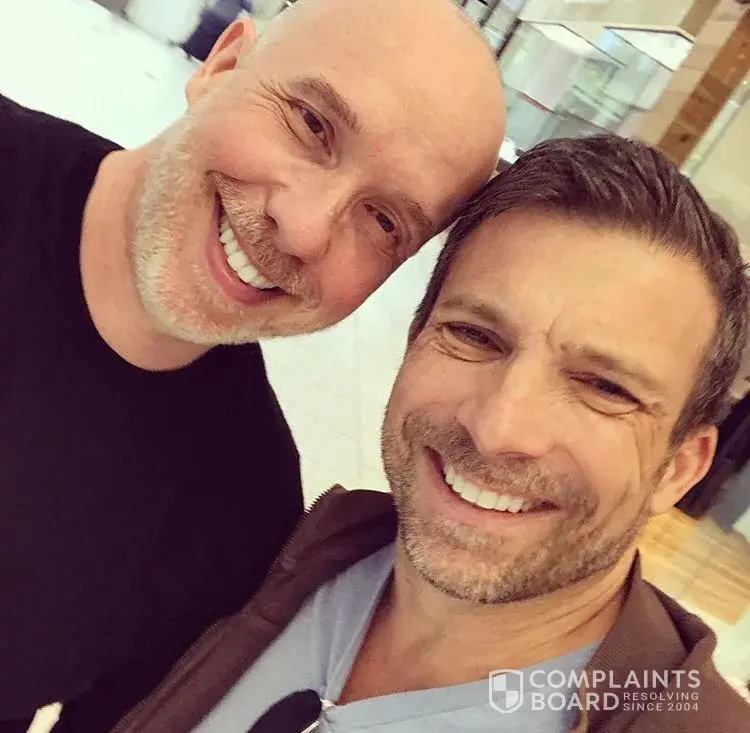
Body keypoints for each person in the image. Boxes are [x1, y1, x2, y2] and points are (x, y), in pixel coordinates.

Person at [111, 135, 749, 732]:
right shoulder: (289, 554)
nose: (498, 428)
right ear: (415, 337)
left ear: (679, 469)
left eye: (605, 388)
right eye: (474, 335)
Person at [0, 0, 505, 729]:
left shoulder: (240, 515)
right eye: (312, 125)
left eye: (384, 220)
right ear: (224, 62)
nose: (303, 228)